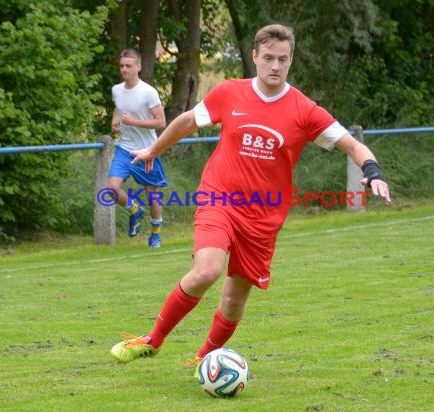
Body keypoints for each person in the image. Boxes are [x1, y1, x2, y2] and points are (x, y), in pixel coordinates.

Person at [110, 25, 391, 366]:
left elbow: (352, 144)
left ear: (290, 61)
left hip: (263, 217)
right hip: (220, 197)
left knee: (233, 299)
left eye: (282, 59)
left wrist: (372, 171)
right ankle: (153, 339)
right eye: (269, 58)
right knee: (206, 271)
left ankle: (206, 361)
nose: (275, 65)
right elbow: (186, 122)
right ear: (256, 57)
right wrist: (154, 149)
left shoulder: (305, 110)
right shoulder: (230, 93)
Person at [108, 48, 167, 247]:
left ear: (138, 67)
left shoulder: (148, 92)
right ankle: (134, 209)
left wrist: (133, 122)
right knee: (112, 189)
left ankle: (156, 233)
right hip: (124, 149)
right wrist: (115, 122)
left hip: (147, 150)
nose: (124, 69)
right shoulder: (117, 90)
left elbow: (161, 122)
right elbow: (119, 107)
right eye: (122, 66)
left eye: (128, 66)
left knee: (152, 193)